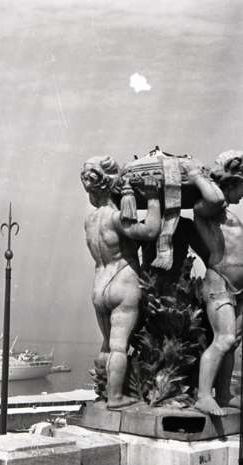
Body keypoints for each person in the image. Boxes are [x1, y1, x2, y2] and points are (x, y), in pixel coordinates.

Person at [81, 155, 161, 408]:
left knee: (106, 344)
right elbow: (150, 231)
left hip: (99, 285)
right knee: (118, 346)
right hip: (122, 281)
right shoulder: (116, 217)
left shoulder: (90, 220)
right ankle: (115, 398)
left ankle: (106, 393)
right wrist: (153, 199)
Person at [186, 151, 243, 415]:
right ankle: (203, 395)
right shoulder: (207, 208)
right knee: (224, 338)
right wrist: (196, 175)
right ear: (232, 182)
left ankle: (224, 393)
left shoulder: (229, 213)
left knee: (233, 343)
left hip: (238, 287)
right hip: (219, 280)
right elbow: (215, 198)